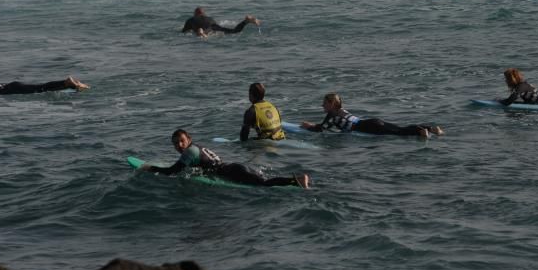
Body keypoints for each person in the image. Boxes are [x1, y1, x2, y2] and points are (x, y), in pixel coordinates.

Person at [141, 129, 310, 188]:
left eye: (181, 141)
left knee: (264, 185)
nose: (179, 145)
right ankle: (295, 180)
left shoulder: (189, 152)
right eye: (175, 143)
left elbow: (172, 171)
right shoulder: (195, 148)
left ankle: (296, 181)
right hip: (233, 167)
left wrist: (151, 168)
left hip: (232, 172)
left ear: (189, 140)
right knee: (263, 180)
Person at [301, 93, 444, 138]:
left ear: (332, 104)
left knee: (399, 133)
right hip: (372, 121)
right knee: (400, 129)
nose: (322, 106)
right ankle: (431, 129)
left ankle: (421, 132)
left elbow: (321, 129)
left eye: (324, 103)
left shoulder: (332, 115)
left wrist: (308, 126)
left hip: (369, 126)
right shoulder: (342, 110)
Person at [181, 7, 260, 37]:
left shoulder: (191, 19)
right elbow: (213, 25)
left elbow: (184, 31)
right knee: (234, 31)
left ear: (195, 14)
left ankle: (201, 32)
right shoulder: (209, 18)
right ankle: (246, 21)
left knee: (204, 32)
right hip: (213, 24)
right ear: (204, 13)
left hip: (203, 28)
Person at [0, 76, 89, 95]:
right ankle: (72, 85)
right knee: (40, 88)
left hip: (10, 89)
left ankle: (66, 83)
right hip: (11, 86)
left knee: (40, 89)